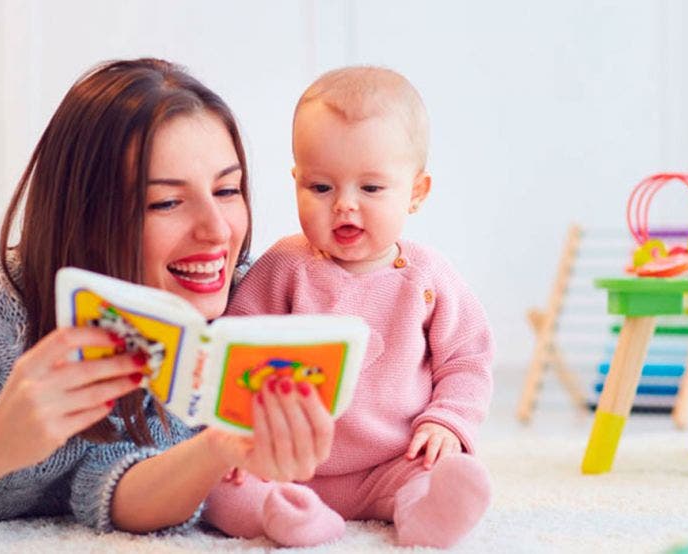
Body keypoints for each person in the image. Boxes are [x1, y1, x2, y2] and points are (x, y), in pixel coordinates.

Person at [0, 58, 334, 552]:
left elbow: (117, 485)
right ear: (88, 216)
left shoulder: (258, 296)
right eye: (165, 202)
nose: (217, 231)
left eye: (228, 190)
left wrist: (223, 448)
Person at [202, 66, 495, 548]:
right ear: (297, 181)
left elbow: (467, 358)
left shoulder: (428, 277)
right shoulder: (284, 266)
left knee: (434, 469)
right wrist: (235, 433)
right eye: (321, 187)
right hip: (286, 461)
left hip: (392, 460)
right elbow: (233, 354)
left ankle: (424, 511)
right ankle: (285, 516)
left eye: (371, 189)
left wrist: (447, 421)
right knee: (219, 488)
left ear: (416, 192)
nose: (344, 205)